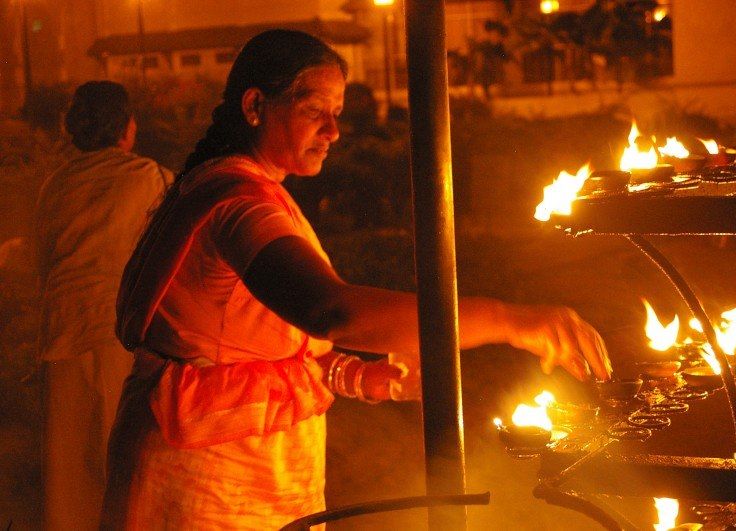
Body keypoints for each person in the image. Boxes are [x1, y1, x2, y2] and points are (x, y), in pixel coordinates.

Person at [102, 29, 612, 529]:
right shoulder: (238, 205)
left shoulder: (236, 189)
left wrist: (364, 377)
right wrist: (508, 320)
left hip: (245, 476)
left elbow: (258, 350)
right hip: (204, 486)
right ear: (255, 106)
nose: (334, 132)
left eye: (338, 115)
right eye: (314, 113)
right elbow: (331, 312)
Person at [35, 81, 173, 530]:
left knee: (69, 466)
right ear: (126, 128)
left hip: (62, 332)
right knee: (127, 458)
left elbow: (45, 260)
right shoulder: (150, 178)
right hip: (121, 332)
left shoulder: (55, 185)